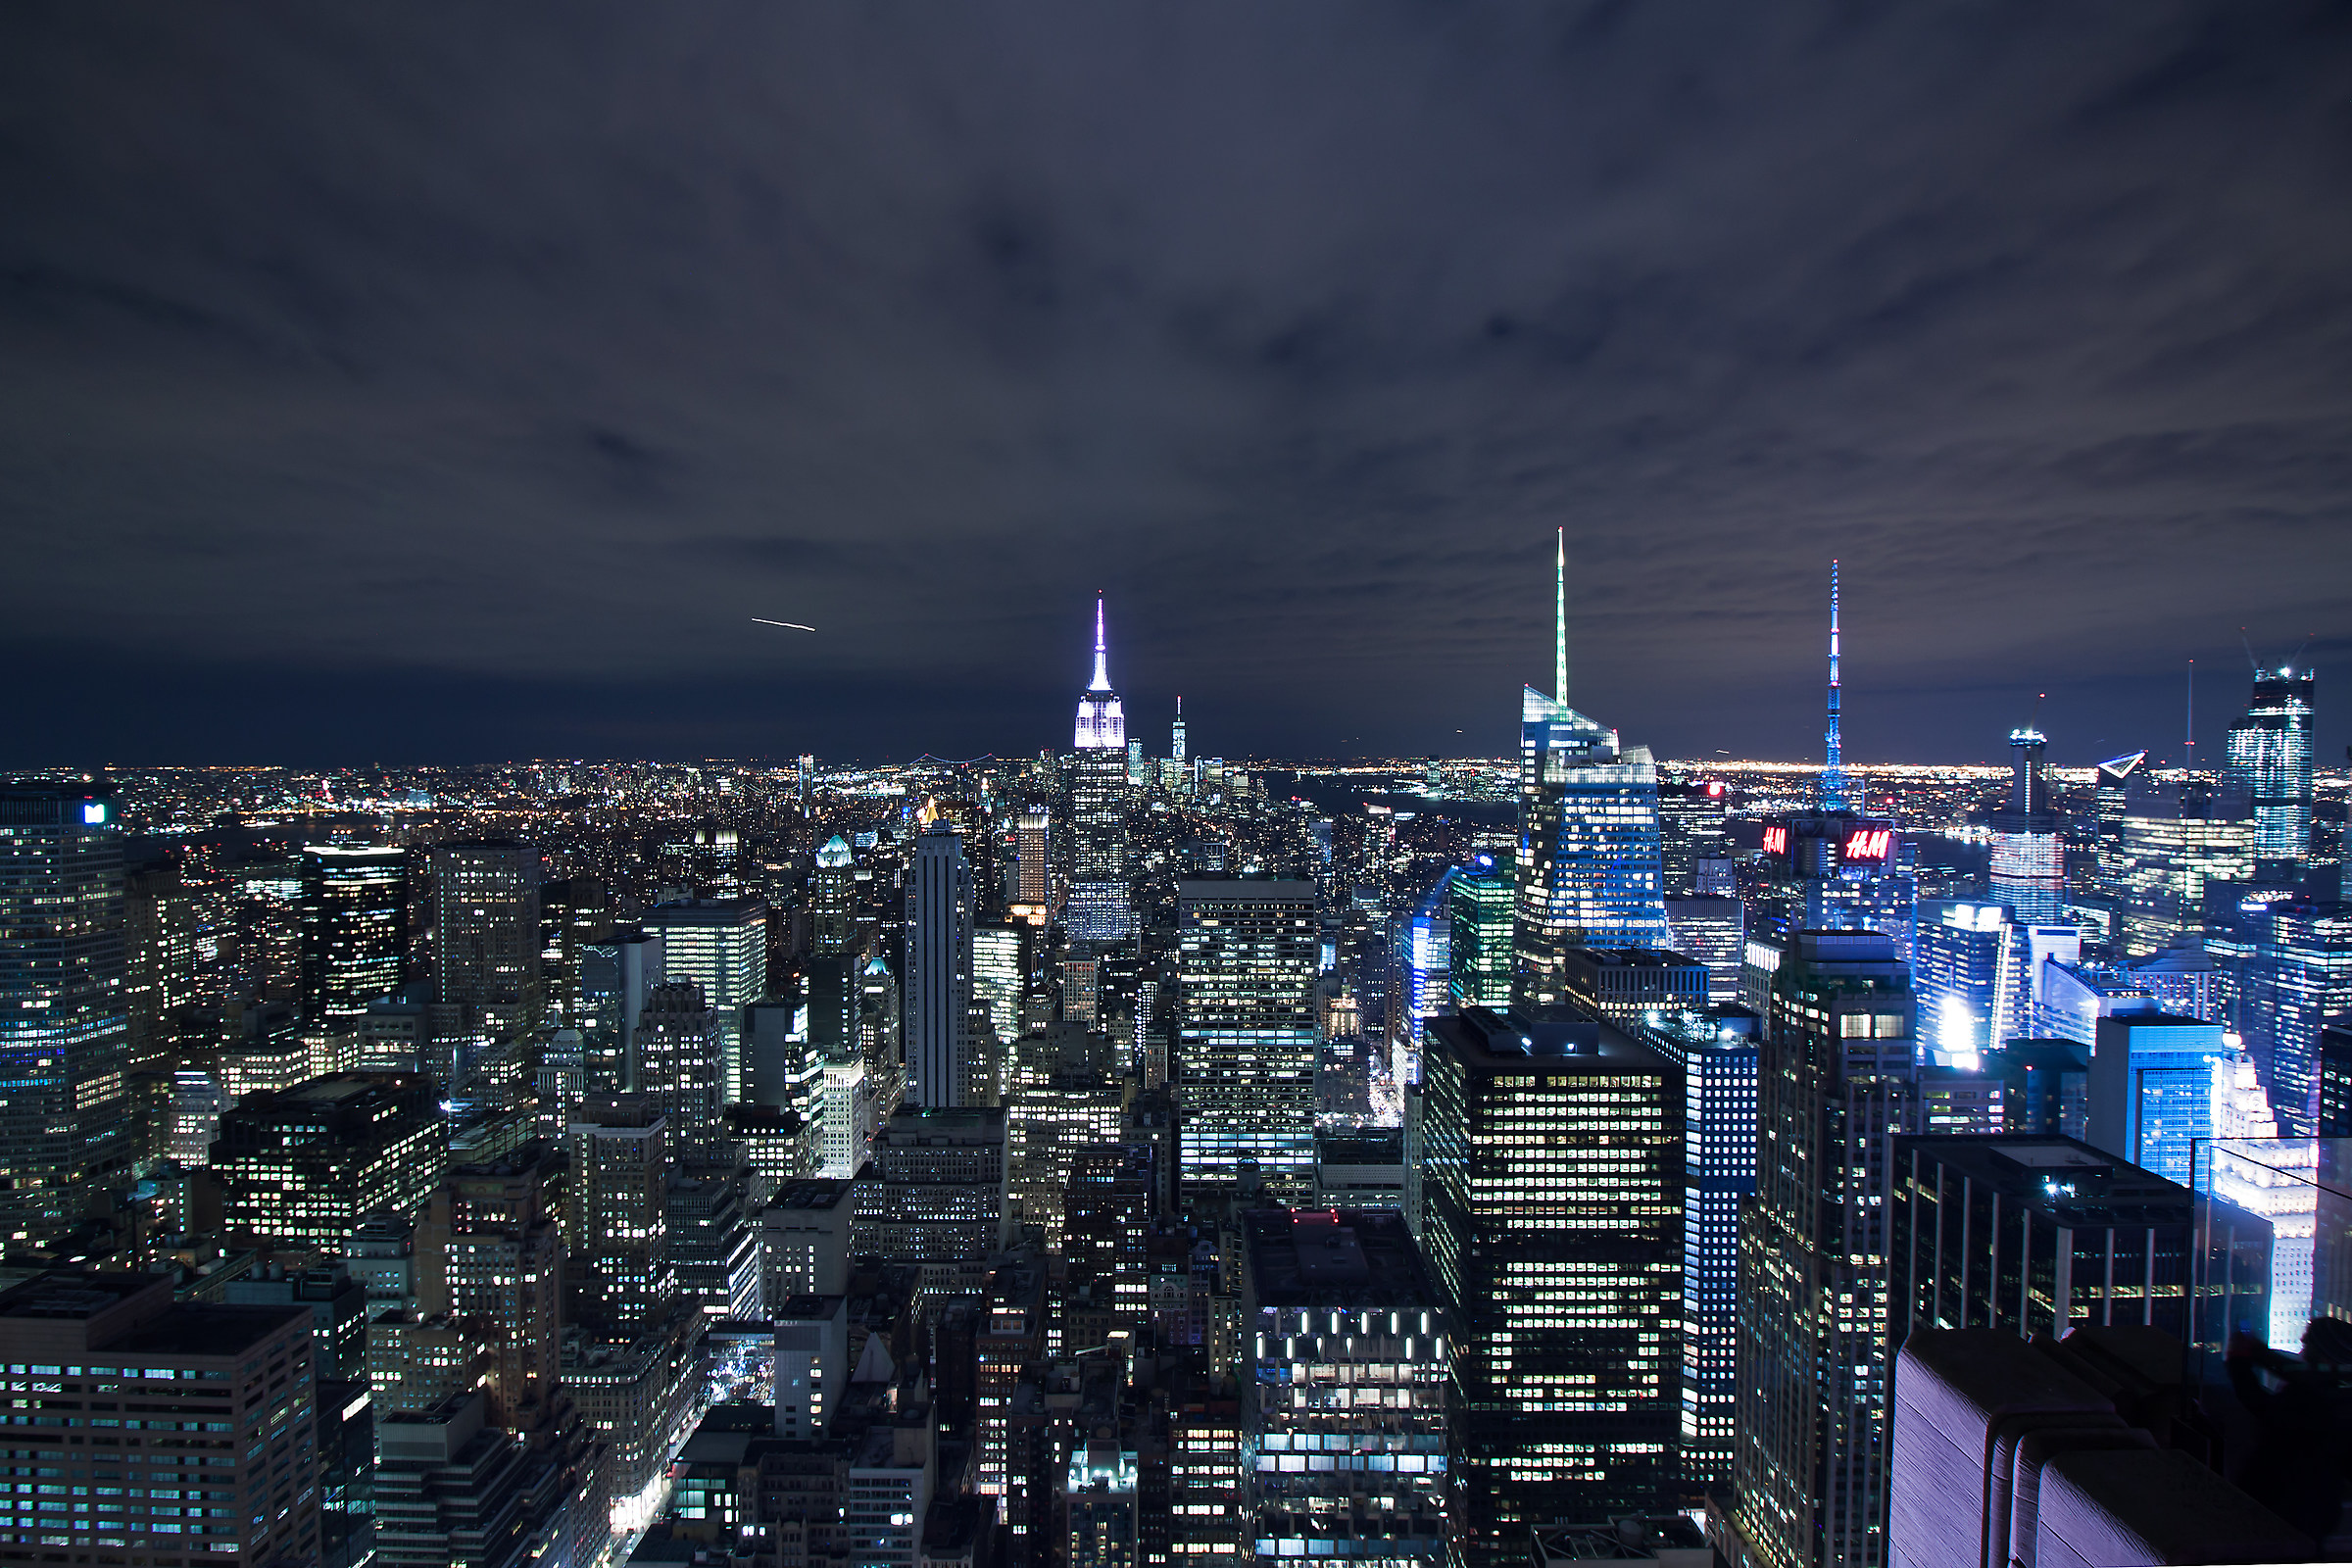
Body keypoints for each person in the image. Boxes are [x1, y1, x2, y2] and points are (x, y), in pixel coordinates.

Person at [2227, 1315, 2352, 1545]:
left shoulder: (2318, 1398)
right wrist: (2256, 1354)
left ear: (2325, 1351)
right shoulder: (2337, 1394)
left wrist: (2240, 1362)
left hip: (2283, 1503)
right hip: (2311, 1508)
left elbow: (2262, 1405)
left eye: (2310, 1339)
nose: (2303, 1340)